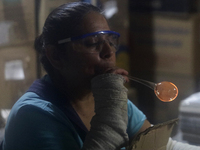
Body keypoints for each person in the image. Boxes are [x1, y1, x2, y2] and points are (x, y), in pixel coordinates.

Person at [1, 2, 200, 150]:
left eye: (110, 41)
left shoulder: (104, 96)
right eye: (93, 43)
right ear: (56, 56)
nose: (109, 51)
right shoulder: (32, 117)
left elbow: (160, 146)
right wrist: (113, 103)